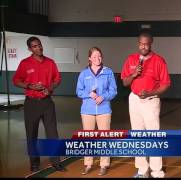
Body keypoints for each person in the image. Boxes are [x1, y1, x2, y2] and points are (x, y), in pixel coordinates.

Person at [120, 31, 171, 178]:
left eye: (146, 44)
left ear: (151, 44)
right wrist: (134, 74)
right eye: (141, 44)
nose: (143, 46)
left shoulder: (159, 60)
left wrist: (149, 93)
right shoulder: (131, 59)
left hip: (151, 100)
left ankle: (156, 170)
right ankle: (142, 169)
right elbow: (124, 82)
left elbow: (166, 84)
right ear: (138, 43)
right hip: (134, 99)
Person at [12, 36, 66, 173]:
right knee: (31, 135)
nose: (39, 48)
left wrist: (51, 88)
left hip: (47, 103)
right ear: (30, 49)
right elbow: (16, 80)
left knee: (53, 133)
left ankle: (56, 162)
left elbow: (57, 78)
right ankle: (34, 163)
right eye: (35, 46)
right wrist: (29, 85)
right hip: (31, 104)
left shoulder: (50, 62)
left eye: (40, 45)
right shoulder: (25, 63)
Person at [76, 47, 117, 176]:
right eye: (94, 56)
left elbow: (113, 90)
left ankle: (104, 164)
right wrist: (89, 94)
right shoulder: (84, 73)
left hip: (104, 110)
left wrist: (103, 97)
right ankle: (88, 164)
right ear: (89, 58)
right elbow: (78, 91)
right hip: (87, 111)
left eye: (99, 56)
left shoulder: (108, 72)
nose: (97, 58)